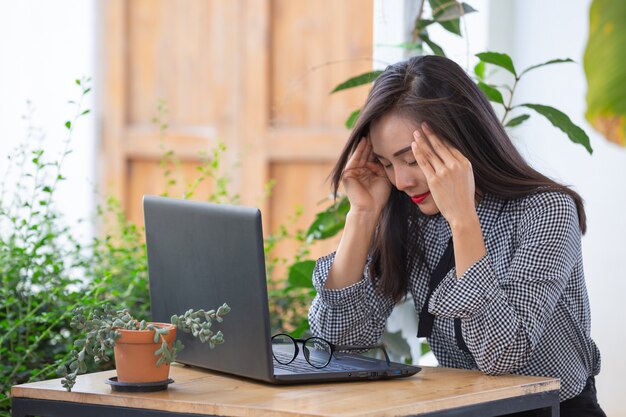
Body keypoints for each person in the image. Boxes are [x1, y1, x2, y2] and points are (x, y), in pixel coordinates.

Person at [308, 55, 605, 417]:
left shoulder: (546, 211)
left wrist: (462, 217)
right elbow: (336, 340)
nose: (401, 181)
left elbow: (502, 354)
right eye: (386, 163)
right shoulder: (409, 214)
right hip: (464, 409)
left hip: (553, 410)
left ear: (463, 140)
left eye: (413, 160)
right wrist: (363, 214)